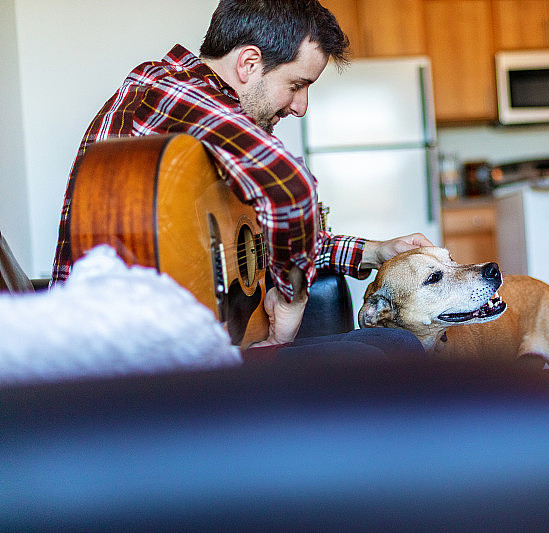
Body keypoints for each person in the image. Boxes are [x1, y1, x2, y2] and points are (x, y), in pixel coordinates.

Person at [52, 0, 432, 356]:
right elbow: (291, 189)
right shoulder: (166, 90)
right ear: (249, 64)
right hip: (123, 361)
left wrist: (374, 251)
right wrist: (290, 300)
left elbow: (274, 237)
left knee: (386, 344)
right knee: (391, 347)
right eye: (297, 85)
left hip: (176, 350)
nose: (300, 107)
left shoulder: (207, 126)